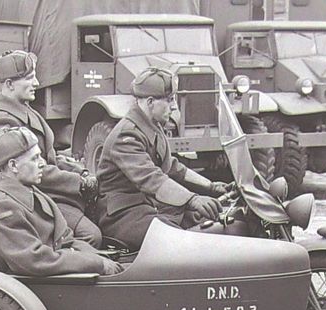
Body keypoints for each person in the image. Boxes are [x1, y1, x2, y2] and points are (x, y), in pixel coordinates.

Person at [96, 67, 231, 250]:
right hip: (121, 215)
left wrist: (211, 186)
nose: (174, 106)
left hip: (146, 206)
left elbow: (173, 168)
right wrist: (192, 199)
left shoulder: (152, 126)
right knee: (178, 240)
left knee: (206, 222)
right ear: (150, 102)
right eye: (169, 100)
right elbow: (152, 178)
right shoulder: (126, 135)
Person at [0, 50, 102, 248]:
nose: (37, 83)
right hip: (29, 198)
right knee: (91, 235)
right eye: (29, 78)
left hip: (45, 191)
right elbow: (28, 168)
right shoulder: (3, 121)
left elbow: (48, 156)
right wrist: (77, 182)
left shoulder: (26, 110)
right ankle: (67, 263)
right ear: (9, 84)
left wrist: (81, 172)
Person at [0, 126, 122, 277]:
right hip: (39, 284)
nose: (42, 163)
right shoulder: (3, 207)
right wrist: (96, 264)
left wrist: (99, 257)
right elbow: (34, 260)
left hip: (53, 277)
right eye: (34, 158)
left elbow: (66, 239)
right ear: (13, 165)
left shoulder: (31, 192)